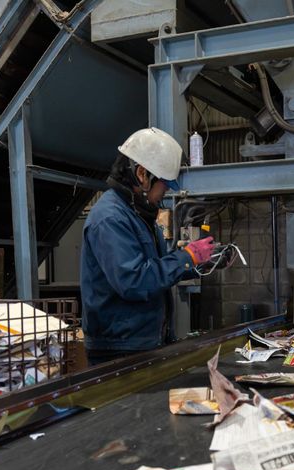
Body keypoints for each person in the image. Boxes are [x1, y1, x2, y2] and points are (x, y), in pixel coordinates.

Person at [80, 127, 215, 366]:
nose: (163, 195)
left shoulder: (138, 215)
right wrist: (187, 257)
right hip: (119, 349)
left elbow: (155, 271)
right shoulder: (111, 219)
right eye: (163, 186)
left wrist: (199, 264)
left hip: (143, 342)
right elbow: (135, 281)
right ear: (142, 174)